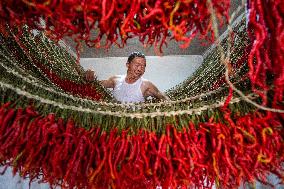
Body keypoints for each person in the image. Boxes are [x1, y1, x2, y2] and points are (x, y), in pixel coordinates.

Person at [85, 51, 169, 103]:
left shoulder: (146, 85)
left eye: (143, 66)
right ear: (127, 65)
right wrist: (91, 74)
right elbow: (95, 85)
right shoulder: (116, 80)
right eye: (137, 65)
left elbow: (163, 97)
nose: (140, 69)